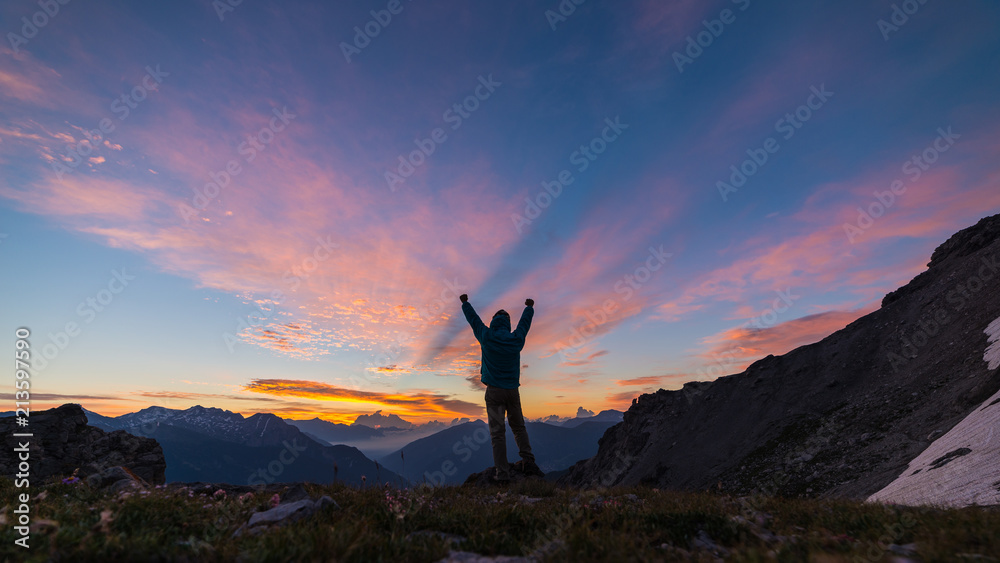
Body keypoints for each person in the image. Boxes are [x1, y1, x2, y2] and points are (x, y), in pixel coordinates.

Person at [460, 293, 544, 482]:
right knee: (518, 427)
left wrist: (465, 303)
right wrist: (529, 308)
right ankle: (528, 461)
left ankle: (502, 474)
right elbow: (524, 325)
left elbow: (473, 320)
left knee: (497, 434)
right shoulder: (516, 340)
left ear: (493, 322)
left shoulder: (486, 336)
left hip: (494, 392)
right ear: (507, 324)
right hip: (513, 391)